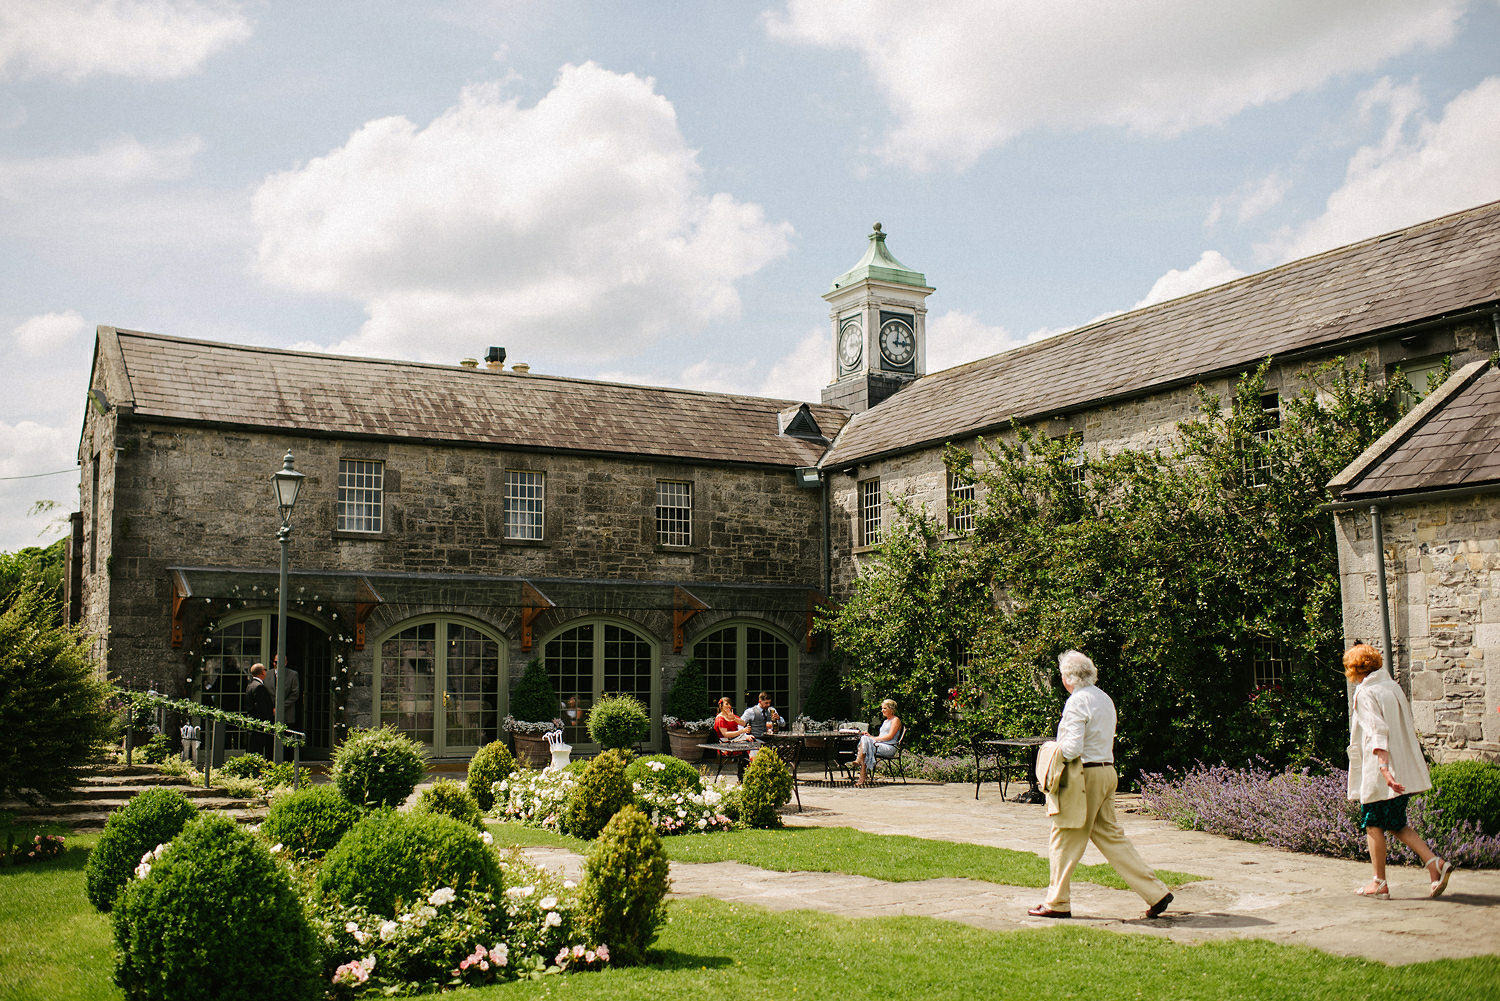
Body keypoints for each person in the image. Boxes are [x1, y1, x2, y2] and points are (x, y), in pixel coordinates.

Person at [1028, 650, 1173, 920]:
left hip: (1085, 777)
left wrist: (1049, 749)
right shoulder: (1103, 698)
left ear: (1068, 677)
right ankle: (1156, 893)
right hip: (1107, 772)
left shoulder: (1076, 701)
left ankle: (1057, 902)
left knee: (1063, 838)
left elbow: (1072, 749)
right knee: (1112, 838)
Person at [1345, 643, 1453, 899]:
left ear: (1354, 668)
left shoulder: (1365, 692)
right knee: (1396, 824)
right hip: (1402, 769)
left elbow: (1377, 731)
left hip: (1383, 773)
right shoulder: (1392, 687)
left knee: (1372, 823)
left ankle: (1379, 882)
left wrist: (1384, 770)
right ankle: (1434, 863)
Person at [855, 698, 902, 787]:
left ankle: (859, 762)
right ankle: (862, 774)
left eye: (885, 708)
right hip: (880, 745)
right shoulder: (885, 721)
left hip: (889, 747)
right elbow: (881, 736)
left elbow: (890, 736)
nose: (882, 710)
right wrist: (871, 738)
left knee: (866, 742)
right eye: (882, 708)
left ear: (891, 709)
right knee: (865, 738)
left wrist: (873, 738)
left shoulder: (895, 720)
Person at [244, 663, 274, 757]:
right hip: (259, 722)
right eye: (265, 670)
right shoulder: (259, 687)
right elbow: (262, 706)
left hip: (252, 720)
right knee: (257, 749)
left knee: (253, 748)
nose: (266, 672)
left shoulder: (250, 685)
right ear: (262, 672)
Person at [268, 654, 301, 732]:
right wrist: (270, 709)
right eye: (274, 662)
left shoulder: (293, 675)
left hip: (287, 715)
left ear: (285, 663)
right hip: (270, 715)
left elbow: (295, 694)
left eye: (277, 662)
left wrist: (280, 708)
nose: (275, 664)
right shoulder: (267, 674)